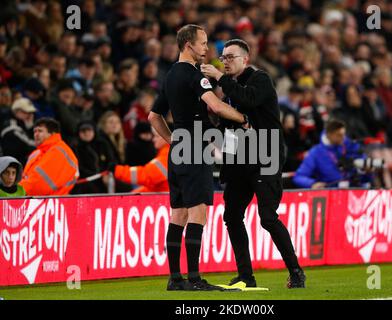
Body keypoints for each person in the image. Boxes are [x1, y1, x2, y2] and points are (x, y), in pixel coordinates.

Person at [200, 39, 306, 289]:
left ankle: (296, 271)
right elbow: (231, 122)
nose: (224, 61)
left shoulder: (260, 79)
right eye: (223, 57)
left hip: (265, 155)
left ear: (245, 59)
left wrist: (219, 79)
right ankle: (245, 276)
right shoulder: (229, 88)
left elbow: (248, 100)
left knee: (267, 217)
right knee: (232, 215)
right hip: (239, 157)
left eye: (230, 57)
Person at [148, 24, 247, 291]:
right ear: (188, 44)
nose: (206, 48)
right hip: (194, 148)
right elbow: (214, 105)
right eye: (203, 43)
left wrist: (172, 140)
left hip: (179, 147)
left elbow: (153, 116)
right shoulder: (195, 75)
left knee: (177, 214)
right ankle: (194, 279)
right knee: (198, 213)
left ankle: (175, 279)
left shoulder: (169, 76)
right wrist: (243, 118)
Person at [292, 119, 372, 189]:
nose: (343, 138)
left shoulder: (351, 146)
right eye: (338, 135)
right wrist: (312, 184)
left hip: (355, 191)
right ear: (329, 135)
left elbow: (366, 178)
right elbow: (298, 177)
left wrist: (367, 172)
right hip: (331, 195)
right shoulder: (316, 153)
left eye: (343, 134)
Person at [19, 118, 79, 195]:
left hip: (52, 202)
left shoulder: (58, 151)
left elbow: (38, 184)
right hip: (42, 201)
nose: (36, 134)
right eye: (35, 131)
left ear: (52, 134)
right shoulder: (38, 153)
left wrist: (14, 190)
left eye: (40, 131)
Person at [113, 128, 169, 193]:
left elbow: (146, 176)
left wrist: (117, 170)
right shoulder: (168, 153)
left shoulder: (166, 155)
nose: (153, 139)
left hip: (165, 200)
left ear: (167, 137)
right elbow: (155, 185)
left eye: (156, 136)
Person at [0, 97, 36, 166]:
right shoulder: (12, 128)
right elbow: (31, 145)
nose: (30, 116)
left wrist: (29, 127)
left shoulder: (22, 123)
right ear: (17, 111)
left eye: (31, 113)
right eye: (27, 112)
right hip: (11, 166)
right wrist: (30, 128)